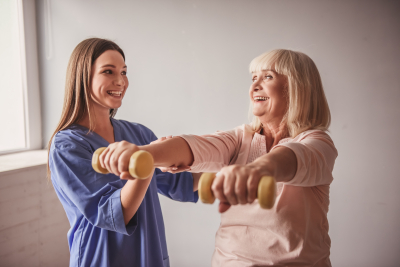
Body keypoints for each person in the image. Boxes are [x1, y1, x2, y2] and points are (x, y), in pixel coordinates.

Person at [99, 49, 338, 266]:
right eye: (253, 78)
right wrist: (142, 153)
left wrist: (254, 172)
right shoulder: (241, 138)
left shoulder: (317, 143)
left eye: (267, 77)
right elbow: (196, 145)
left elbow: (292, 158)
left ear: (297, 87)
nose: (254, 86)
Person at [47, 38, 200, 267]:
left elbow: (184, 183)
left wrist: (234, 158)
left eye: (124, 72)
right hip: (101, 258)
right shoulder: (67, 145)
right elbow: (115, 213)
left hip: (150, 256)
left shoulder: (138, 133)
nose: (120, 81)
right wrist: (146, 162)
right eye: (108, 71)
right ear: (83, 76)